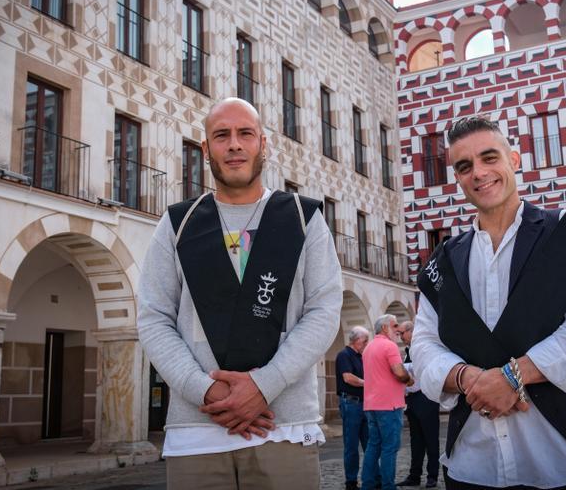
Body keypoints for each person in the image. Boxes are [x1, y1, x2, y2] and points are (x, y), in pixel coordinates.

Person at [136, 98, 343, 489]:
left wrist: (265, 385)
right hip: (197, 427)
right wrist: (207, 390)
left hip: (283, 425)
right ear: (205, 148)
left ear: (263, 144)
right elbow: (153, 318)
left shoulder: (303, 218)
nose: (234, 144)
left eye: (245, 133)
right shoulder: (177, 224)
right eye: (222, 135)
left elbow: (324, 310)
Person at [411, 116, 566, 489]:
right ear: (457, 178)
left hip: (562, 462)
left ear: (515, 160)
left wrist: (511, 379)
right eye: (464, 166)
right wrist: (466, 377)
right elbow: (424, 344)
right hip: (472, 465)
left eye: (490, 158)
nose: (479, 173)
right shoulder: (443, 261)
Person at [361, 314, 412, 490]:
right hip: (389, 405)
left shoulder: (367, 348)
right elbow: (399, 372)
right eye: (395, 325)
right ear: (384, 328)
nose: (398, 329)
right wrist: (409, 379)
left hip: (371, 404)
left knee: (373, 446)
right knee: (390, 448)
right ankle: (388, 486)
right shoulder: (389, 346)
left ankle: (367, 485)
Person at [397, 321, 440, 489]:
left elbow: (426, 370)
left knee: (430, 439)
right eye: (399, 334)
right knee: (415, 440)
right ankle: (414, 476)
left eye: (402, 333)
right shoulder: (408, 351)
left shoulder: (423, 348)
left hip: (427, 398)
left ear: (411, 331)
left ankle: (433, 476)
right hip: (413, 399)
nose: (400, 337)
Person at [337, 326, 371, 490]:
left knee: (369, 443)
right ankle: (351, 482)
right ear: (356, 340)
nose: (366, 343)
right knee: (351, 446)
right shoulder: (344, 355)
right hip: (350, 404)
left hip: (365, 404)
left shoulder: (362, 356)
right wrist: (369, 383)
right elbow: (348, 378)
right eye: (365, 341)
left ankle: (373, 478)